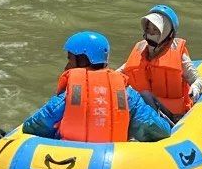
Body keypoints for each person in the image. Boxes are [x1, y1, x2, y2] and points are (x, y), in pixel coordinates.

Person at [22, 31, 172, 142]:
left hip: (69, 159)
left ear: (83, 61)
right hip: (113, 162)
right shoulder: (126, 94)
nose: (67, 66)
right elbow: (157, 130)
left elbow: (34, 126)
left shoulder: (71, 93)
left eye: (70, 60)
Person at [120, 4, 202, 121]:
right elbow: (118, 75)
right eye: (148, 29)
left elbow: (198, 79)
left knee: (145, 95)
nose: (151, 33)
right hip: (143, 114)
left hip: (173, 117)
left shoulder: (179, 56)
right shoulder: (140, 51)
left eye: (156, 30)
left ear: (167, 32)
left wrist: (195, 87)